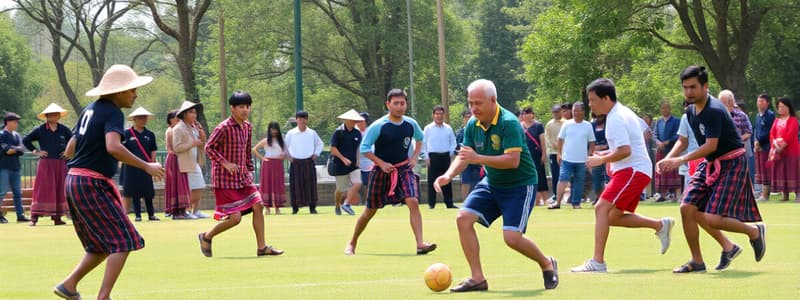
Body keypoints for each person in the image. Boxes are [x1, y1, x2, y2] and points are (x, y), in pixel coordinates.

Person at [433, 79, 558, 292]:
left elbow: (512, 161)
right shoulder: (473, 124)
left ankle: (547, 263)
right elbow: (465, 157)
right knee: (463, 218)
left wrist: (478, 158)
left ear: (493, 100)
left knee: (512, 238)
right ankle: (477, 278)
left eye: (478, 103)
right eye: (471, 103)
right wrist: (447, 175)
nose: (473, 108)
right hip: (492, 183)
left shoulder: (509, 123)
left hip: (520, 185)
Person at [54, 64, 165, 300]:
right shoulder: (113, 112)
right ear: (117, 92)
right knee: (124, 241)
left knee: (101, 244)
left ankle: (69, 285)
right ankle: (103, 297)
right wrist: (146, 165)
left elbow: (71, 147)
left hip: (74, 180)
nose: (135, 94)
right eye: (131, 89)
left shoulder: (90, 109)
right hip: (91, 183)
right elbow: (113, 146)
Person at [657, 65, 765, 273]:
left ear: (705, 87)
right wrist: (667, 159)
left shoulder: (714, 110)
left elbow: (711, 146)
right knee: (687, 208)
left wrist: (679, 161)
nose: (689, 92)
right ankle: (698, 261)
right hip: (711, 163)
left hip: (732, 162)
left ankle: (754, 232)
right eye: (685, 88)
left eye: (693, 87)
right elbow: (683, 140)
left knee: (713, 217)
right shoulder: (690, 111)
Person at [569, 78, 674, 273]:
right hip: (634, 170)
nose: (589, 104)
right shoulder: (621, 112)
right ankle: (660, 225)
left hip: (632, 170)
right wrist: (607, 154)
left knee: (600, 208)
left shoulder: (616, 118)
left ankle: (597, 262)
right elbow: (631, 141)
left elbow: (625, 150)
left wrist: (602, 160)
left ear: (606, 98)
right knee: (611, 217)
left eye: (592, 100)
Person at [344, 88, 436, 256]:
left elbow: (420, 138)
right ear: (388, 104)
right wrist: (381, 163)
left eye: (402, 103)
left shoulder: (410, 124)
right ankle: (352, 242)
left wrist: (415, 157)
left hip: (403, 169)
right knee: (369, 211)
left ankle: (420, 244)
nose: (400, 107)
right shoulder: (379, 126)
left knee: (413, 201)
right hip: (380, 172)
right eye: (396, 103)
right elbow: (365, 148)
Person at [198, 90, 284, 258]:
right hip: (224, 180)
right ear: (232, 108)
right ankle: (206, 236)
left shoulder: (247, 127)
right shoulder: (223, 127)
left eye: (247, 106)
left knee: (258, 205)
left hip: (243, 178)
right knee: (235, 218)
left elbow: (246, 151)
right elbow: (209, 147)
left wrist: (249, 169)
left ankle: (262, 247)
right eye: (241, 107)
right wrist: (225, 163)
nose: (245, 110)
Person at [22, 103, 72, 226]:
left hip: (60, 163)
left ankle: (57, 218)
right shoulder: (40, 129)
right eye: (51, 114)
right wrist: (36, 151)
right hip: (46, 163)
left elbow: (74, 140)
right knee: (42, 189)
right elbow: (25, 140)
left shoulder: (64, 129)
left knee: (60, 188)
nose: (54, 116)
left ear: (59, 116)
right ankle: (34, 218)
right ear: (46, 116)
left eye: (56, 114)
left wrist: (69, 152)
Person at [551, 102, 595, 209]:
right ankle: (557, 202)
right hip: (567, 159)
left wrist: (589, 156)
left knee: (579, 181)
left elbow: (592, 142)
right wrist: (559, 153)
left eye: (577, 110)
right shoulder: (567, 124)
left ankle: (576, 203)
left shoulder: (588, 125)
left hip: (581, 160)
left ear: (583, 112)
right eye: (574, 110)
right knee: (563, 179)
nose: (575, 113)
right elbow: (560, 139)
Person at [119, 107, 159, 222]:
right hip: (131, 166)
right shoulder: (127, 133)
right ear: (134, 119)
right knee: (134, 191)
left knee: (148, 191)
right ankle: (138, 215)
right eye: (140, 118)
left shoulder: (150, 134)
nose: (143, 120)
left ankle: (151, 214)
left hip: (146, 166)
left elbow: (153, 149)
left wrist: (152, 162)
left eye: (144, 118)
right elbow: (122, 148)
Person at [172, 101, 209, 218]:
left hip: (195, 161)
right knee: (189, 188)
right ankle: (186, 210)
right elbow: (177, 147)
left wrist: (201, 132)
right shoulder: (178, 128)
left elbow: (203, 141)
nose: (194, 115)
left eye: (195, 112)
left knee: (200, 185)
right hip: (185, 162)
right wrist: (192, 143)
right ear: (184, 114)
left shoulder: (193, 127)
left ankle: (196, 210)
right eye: (191, 112)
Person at [285, 111, 324, 214]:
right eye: (300, 118)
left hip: (308, 162)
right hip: (295, 162)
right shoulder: (291, 133)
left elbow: (320, 144)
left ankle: (312, 207)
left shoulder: (312, 133)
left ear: (307, 120)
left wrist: (316, 153)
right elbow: (284, 146)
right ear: (296, 119)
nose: (302, 121)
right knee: (295, 185)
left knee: (310, 185)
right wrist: (288, 156)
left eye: (304, 118)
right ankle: (295, 207)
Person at [330, 109, 364, 215]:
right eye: (351, 120)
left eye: (354, 120)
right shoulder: (338, 132)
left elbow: (358, 147)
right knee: (340, 189)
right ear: (346, 120)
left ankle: (346, 204)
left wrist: (358, 159)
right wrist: (343, 159)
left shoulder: (357, 133)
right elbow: (333, 149)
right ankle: (337, 205)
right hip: (339, 165)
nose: (353, 122)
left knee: (358, 182)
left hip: (353, 165)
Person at [422, 105, 458, 209]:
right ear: (433, 115)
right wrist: (426, 156)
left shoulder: (448, 128)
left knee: (447, 180)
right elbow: (424, 143)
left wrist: (451, 154)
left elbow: (453, 142)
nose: (439, 116)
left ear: (444, 115)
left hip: (445, 156)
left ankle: (449, 203)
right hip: (433, 157)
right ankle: (431, 204)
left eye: (441, 114)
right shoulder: (428, 128)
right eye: (437, 114)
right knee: (432, 181)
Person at [0, 112, 30, 223]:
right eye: (15, 122)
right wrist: (15, 149)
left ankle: (20, 215)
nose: (17, 124)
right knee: (2, 192)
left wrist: (14, 149)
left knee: (18, 192)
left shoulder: (17, 135)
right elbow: (7, 151)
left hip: (15, 167)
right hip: (3, 167)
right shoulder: (1, 134)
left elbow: (22, 150)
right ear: (8, 122)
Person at [252, 122, 287, 214]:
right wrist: (263, 158)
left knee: (278, 184)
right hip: (268, 164)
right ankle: (267, 207)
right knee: (267, 184)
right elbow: (254, 149)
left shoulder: (282, 141)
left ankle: (277, 208)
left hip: (278, 164)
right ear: (269, 130)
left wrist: (283, 155)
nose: (274, 131)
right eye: (272, 129)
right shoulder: (266, 140)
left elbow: (285, 152)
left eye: (275, 129)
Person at [768, 97, 799, 202]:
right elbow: (772, 134)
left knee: (793, 172)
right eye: (779, 107)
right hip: (779, 152)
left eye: (783, 106)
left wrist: (782, 145)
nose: (781, 109)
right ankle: (784, 195)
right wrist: (775, 145)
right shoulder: (776, 120)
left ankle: (798, 194)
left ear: (789, 107)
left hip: (791, 151)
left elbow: (790, 135)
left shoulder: (793, 120)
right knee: (782, 172)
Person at [163, 110, 192, 219]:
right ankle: (176, 211)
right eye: (176, 117)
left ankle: (182, 210)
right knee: (175, 184)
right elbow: (172, 148)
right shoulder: (171, 130)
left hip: (180, 159)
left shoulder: (179, 129)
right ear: (171, 119)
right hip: (174, 159)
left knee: (182, 184)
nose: (179, 119)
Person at [520, 107, 549, 206]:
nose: (527, 115)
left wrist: (544, 154)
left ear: (532, 114)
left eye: (529, 113)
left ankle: (545, 199)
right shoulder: (520, 126)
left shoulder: (538, 126)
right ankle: (534, 200)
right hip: (525, 156)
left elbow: (542, 141)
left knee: (540, 176)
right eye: (524, 113)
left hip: (537, 154)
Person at [654, 101, 681, 202]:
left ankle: (675, 195)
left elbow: (678, 135)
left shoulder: (676, 121)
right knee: (661, 170)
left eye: (666, 108)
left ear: (670, 109)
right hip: (660, 150)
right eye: (662, 108)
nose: (664, 110)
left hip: (671, 150)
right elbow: (654, 134)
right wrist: (658, 142)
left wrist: (667, 141)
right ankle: (661, 195)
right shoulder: (659, 121)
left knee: (672, 171)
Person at [454, 110, 482, 198]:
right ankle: (465, 202)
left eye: (470, 116)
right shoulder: (460, 133)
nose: (468, 119)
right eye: (466, 117)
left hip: (478, 161)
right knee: (465, 182)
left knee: (478, 182)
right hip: (465, 162)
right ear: (463, 119)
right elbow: (456, 148)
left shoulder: (479, 131)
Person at [754, 94, 775, 201]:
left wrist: (760, 142)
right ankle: (763, 193)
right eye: (758, 101)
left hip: (767, 147)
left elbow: (770, 131)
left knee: (766, 172)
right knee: (761, 171)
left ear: (767, 103)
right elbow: (756, 131)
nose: (760, 103)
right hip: (759, 147)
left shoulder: (770, 115)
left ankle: (766, 195)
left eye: (762, 101)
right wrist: (755, 142)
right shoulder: (757, 116)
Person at [544, 105, 564, 203]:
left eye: (558, 111)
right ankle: (556, 195)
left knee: (566, 174)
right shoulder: (549, 124)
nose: (556, 114)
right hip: (553, 152)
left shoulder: (566, 123)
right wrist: (554, 145)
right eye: (554, 112)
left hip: (565, 153)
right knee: (555, 174)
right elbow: (546, 138)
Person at [589, 113, 609, 204]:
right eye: (596, 116)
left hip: (608, 154)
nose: (598, 118)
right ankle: (598, 197)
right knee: (596, 178)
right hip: (596, 154)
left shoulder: (609, 124)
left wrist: (604, 147)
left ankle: (607, 198)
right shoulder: (591, 125)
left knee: (608, 177)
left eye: (600, 116)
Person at [356, 112, 374, 200]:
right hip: (357, 161)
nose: (359, 123)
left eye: (361, 121)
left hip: (370, 161)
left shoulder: (370, 131)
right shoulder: (354, 132)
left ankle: (369, 201)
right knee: (357, 183)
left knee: (368, 183)